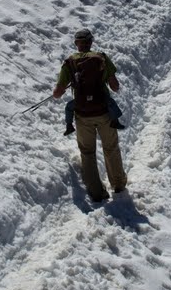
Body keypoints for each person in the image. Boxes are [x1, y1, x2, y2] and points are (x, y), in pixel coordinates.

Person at [53, 28, 128, 202]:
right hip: (103, 112)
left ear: (76, 43)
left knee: (87, 152)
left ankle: (96, 192)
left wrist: (66, 85)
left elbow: (57, 93)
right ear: (91, 42)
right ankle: (118, 185)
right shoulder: (101, 57)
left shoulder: (69, 63)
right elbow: (115, 86)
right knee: (111, 148)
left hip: (82, 115)